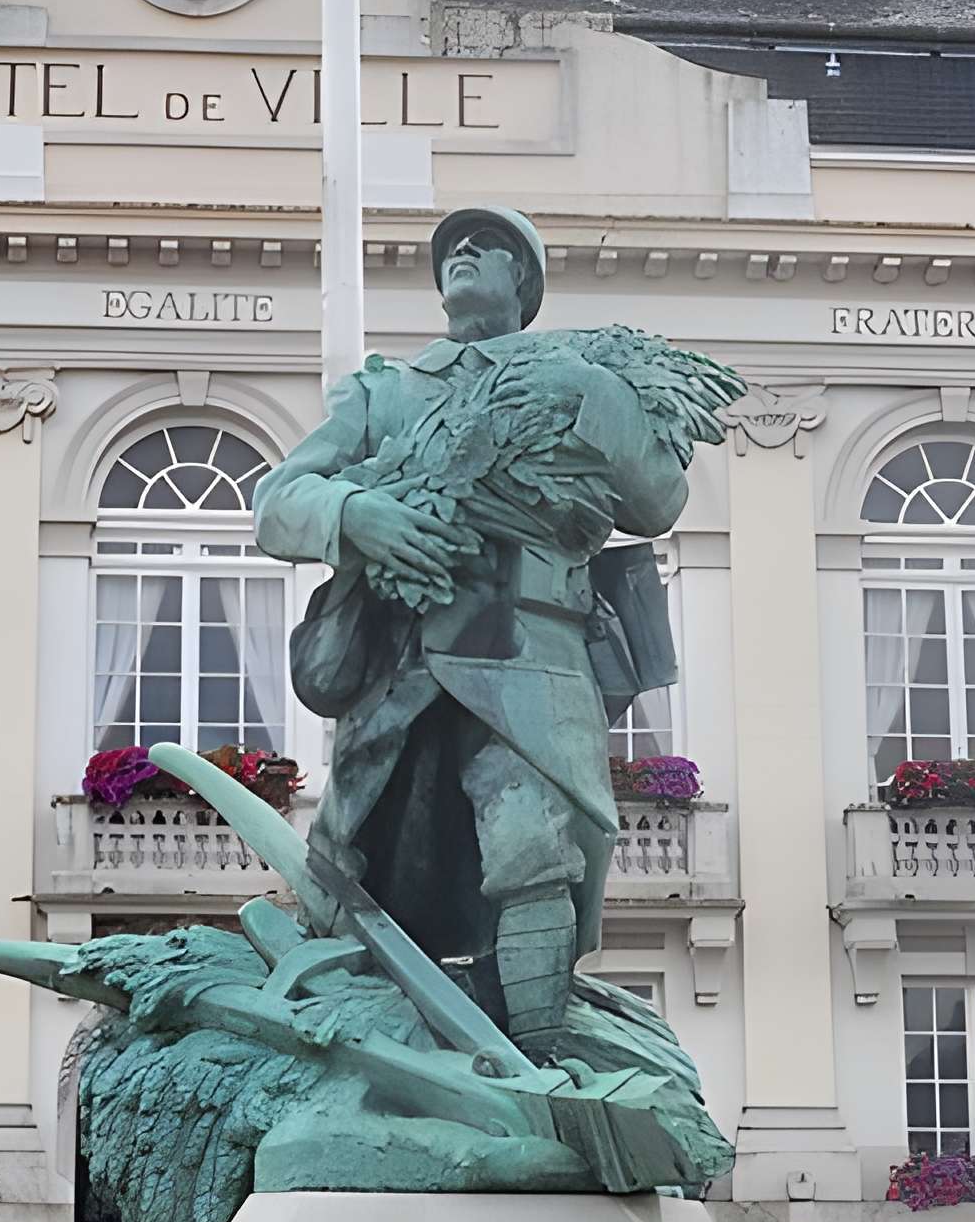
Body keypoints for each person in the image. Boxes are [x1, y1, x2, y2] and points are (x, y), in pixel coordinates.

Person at [253, 205, 690, 1056]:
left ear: (523, 281)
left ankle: (540, 1059)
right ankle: (360, 1056)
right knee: (350, 876)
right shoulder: (385, 391)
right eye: (452, 246)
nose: (462, 252)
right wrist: (357, 512)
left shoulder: (577, 375)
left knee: (536, 852)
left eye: (486, 246)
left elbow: (659, 500)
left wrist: (591, 395)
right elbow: (277, 503)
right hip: (403, 665)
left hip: (532, 655)